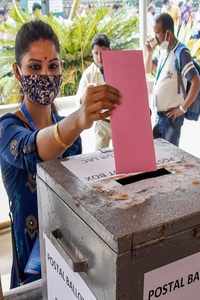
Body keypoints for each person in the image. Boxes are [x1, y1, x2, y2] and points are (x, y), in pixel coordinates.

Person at [0, 20, 120, 288]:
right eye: (34, 66)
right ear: (17, 72)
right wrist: (78, 120)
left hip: (68, 256)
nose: (45, 74)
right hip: (31, 267)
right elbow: (33, 149)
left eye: (52, 66)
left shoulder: (71, 134)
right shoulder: (8, 128)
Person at [145, 13, 200, 146]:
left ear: (168, 34)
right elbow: (147, 70)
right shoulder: (163, 50)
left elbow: (196, 82)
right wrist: (149, 53)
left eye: (157, 33)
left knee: (168, 161)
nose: (155, 38)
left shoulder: (181, 53)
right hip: (160, 117)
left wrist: (182, 109)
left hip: (171, 118)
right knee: (158, 159)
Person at [77, 34, 112, 150]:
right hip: (101, 122)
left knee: (122, 156)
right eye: (96, 53)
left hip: (120, 120)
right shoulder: (88, 74)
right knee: (99, 154)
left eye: (103, 53)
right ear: (92, 53)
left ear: (110, 51)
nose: (100, 57)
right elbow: (80, 99)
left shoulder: (119, 68)